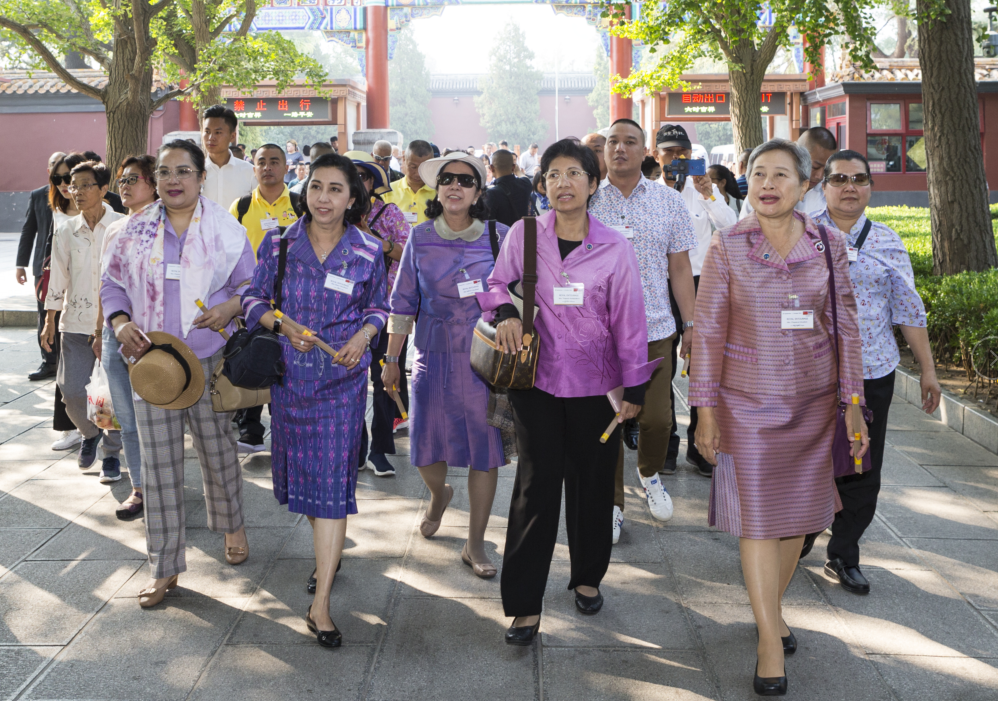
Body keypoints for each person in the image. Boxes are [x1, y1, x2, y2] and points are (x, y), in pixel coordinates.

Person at [690, 138, 869, 695]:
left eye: (781, 176)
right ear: (746, 182)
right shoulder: (728, 245)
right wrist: (704, 411)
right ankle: (769, 636)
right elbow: (709, 334)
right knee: (758, 519)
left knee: (800, 519)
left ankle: (771, 608)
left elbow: (845, 327)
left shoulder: (827, 242)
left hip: (815, 405)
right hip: (746, 403)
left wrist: (855, 404)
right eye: (758, 174)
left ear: (804, 183)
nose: (768, 185)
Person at [477, 139, 658, 645]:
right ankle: (524, 603)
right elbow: (492, 286)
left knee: (593, 485)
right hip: (536, 381)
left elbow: (629, 320)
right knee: (535, 487)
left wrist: (634, 386)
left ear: (592, 184)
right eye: (553, 174)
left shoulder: (615, 247)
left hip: (598, 389)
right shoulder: (524, 233)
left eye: (574, 173)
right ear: (543, 184)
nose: (563, 183)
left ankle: (586, 576)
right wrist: (507, 312)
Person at [243, 153, 388, 647]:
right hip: (290, 383)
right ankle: (328, 549)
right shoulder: (279, 243)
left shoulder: (368, 249)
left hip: (343, 384)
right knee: (309, 482)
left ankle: (320, 603)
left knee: (330, 482)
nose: (323, 197)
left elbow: (379, 306)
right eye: (317, 186)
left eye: (336, 189)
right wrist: (282, 325)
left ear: (352, 198)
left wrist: (364, 336)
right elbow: (253, 301)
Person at [101, 139, 254, 608]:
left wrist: (230, 306)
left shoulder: (225, 230)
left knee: (218, 450)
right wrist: (121, 321)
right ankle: (165, 567)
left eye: (183, 171)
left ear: (200, 177)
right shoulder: (132, 231)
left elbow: (251, 287)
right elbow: (112, 285)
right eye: (165, 172)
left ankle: (232, 524)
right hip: (152, 365)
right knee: (159, 466)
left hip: (207, 358)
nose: (173, 180)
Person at [810, 150, 941, 595]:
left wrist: (928, 371)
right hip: (812, 373)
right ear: (823, 185)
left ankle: (844, 553)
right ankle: (794, 538)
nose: (850, 187)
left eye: (860, 179)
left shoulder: (887, 240)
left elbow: (907, 308)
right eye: (839, 179)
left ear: (870, 187)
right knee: (811, 459)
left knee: (862, 465)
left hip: (873, 371)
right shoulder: (801, 234)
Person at [381, 152, 508, 581]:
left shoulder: (499, 236)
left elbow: (521, 293)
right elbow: (401, 304)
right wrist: (392, 359)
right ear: (438, 189)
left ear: (477, 192)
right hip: (432, 353)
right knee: (425, 449)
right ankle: (439, 495)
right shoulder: (419, 237)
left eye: (466, 181)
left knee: (484, 452)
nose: (456, 186)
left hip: (484, 358)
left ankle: (475, 544)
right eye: (448, 179)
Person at [588, 118, 697, 543]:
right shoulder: (588, 200)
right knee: (608, 421)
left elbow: (681, 268)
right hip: (598, 333)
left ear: (644, 149)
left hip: (654, 328)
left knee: (657, 419)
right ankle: (612, 503)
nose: (619, 149)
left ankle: (650, 474)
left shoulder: (668, 202)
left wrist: (691, 325)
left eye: (629, 142)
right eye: (612, 142)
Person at [655, 124, 737, 477]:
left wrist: (709, 194)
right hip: (659, 285)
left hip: (703, 284)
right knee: (663, 367)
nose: (675, 159)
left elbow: (731, 227)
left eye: (681, 154)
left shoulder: (704, 189)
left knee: (704, 365)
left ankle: (701, 445)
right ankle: (666, 444)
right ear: (656, 155)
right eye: (669, 153)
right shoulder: (649, 193)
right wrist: (670, 190)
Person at [41, 161, 124, 475]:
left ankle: (111, 454)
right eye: (72, 185)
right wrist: (50, 320)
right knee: (71, 390)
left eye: (84, 185)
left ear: (103, 189)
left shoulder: (121, 225)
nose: (75, 191)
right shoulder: (65, 229)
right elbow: (58, 278)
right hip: (74, 322)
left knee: (107, 393)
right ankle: (89, 434)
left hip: (113, 324)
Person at [229, 143, 304, 453]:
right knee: (254, 354)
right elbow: (230, 252)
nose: (268, 167)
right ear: (254, 167)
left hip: (292, 295)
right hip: (253, 295)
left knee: (288, 361)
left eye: (275, 161)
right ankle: (250, 428)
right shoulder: (242, 206)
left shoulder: (301, 203)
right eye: (262, 162)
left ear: (287, 166)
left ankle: (285, 425)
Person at [95, 155, 159, 515]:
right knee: (127, 418)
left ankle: (162, 483)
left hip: (151, 338)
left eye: (133, 178)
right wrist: (100, 329)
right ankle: (139, 487)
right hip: (114, 334)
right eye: (122, 179)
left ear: (152, 183)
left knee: (156, 417)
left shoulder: (168, 225)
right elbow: (106, 283)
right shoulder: (114, 229)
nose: (125, 185)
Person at [347, 152, 411, 477]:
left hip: (385, 310)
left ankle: (379, 449)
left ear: (373, 182)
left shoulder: (389, 213)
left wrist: (375, 241)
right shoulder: (330, 213)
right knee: (349, 381)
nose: (358, 181)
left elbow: (407, 251)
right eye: (352, 174)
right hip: (345, 314)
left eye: (364, 175)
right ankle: (356, 447)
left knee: (385, 380)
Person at [17, 151, 66, 381]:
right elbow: (29, 231)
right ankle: (48, 362)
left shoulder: (72, 194)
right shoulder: (38, 195)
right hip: (43, 268)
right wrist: (21, 264)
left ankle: (66, 361)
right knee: (44, 315)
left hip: (68, 267)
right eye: (54, 167)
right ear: (49, 171)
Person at [739, 127, 837, 221]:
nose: (819, 176)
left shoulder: (829, 194)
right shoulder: (762, 193)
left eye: (826, 170)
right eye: (814, 167)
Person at [200, 105, 256, 208]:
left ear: (232, 136)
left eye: (218, 132)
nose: (211, 138)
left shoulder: (249, 171)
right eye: (207, 132)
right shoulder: (196, 171)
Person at [383, 140, 436, 226]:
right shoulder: (387, 192)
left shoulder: (439, 194)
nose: (418, 174)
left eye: (423, 168)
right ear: (404, 159)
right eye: (413, 167)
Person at [481, 149, 533, 227]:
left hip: (503, 238)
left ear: (492, 168)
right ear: (513, 167)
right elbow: (524, 177)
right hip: (522, 235)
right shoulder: (525, 184)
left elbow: (487, 223)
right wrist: (517, 170)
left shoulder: (491, 193)